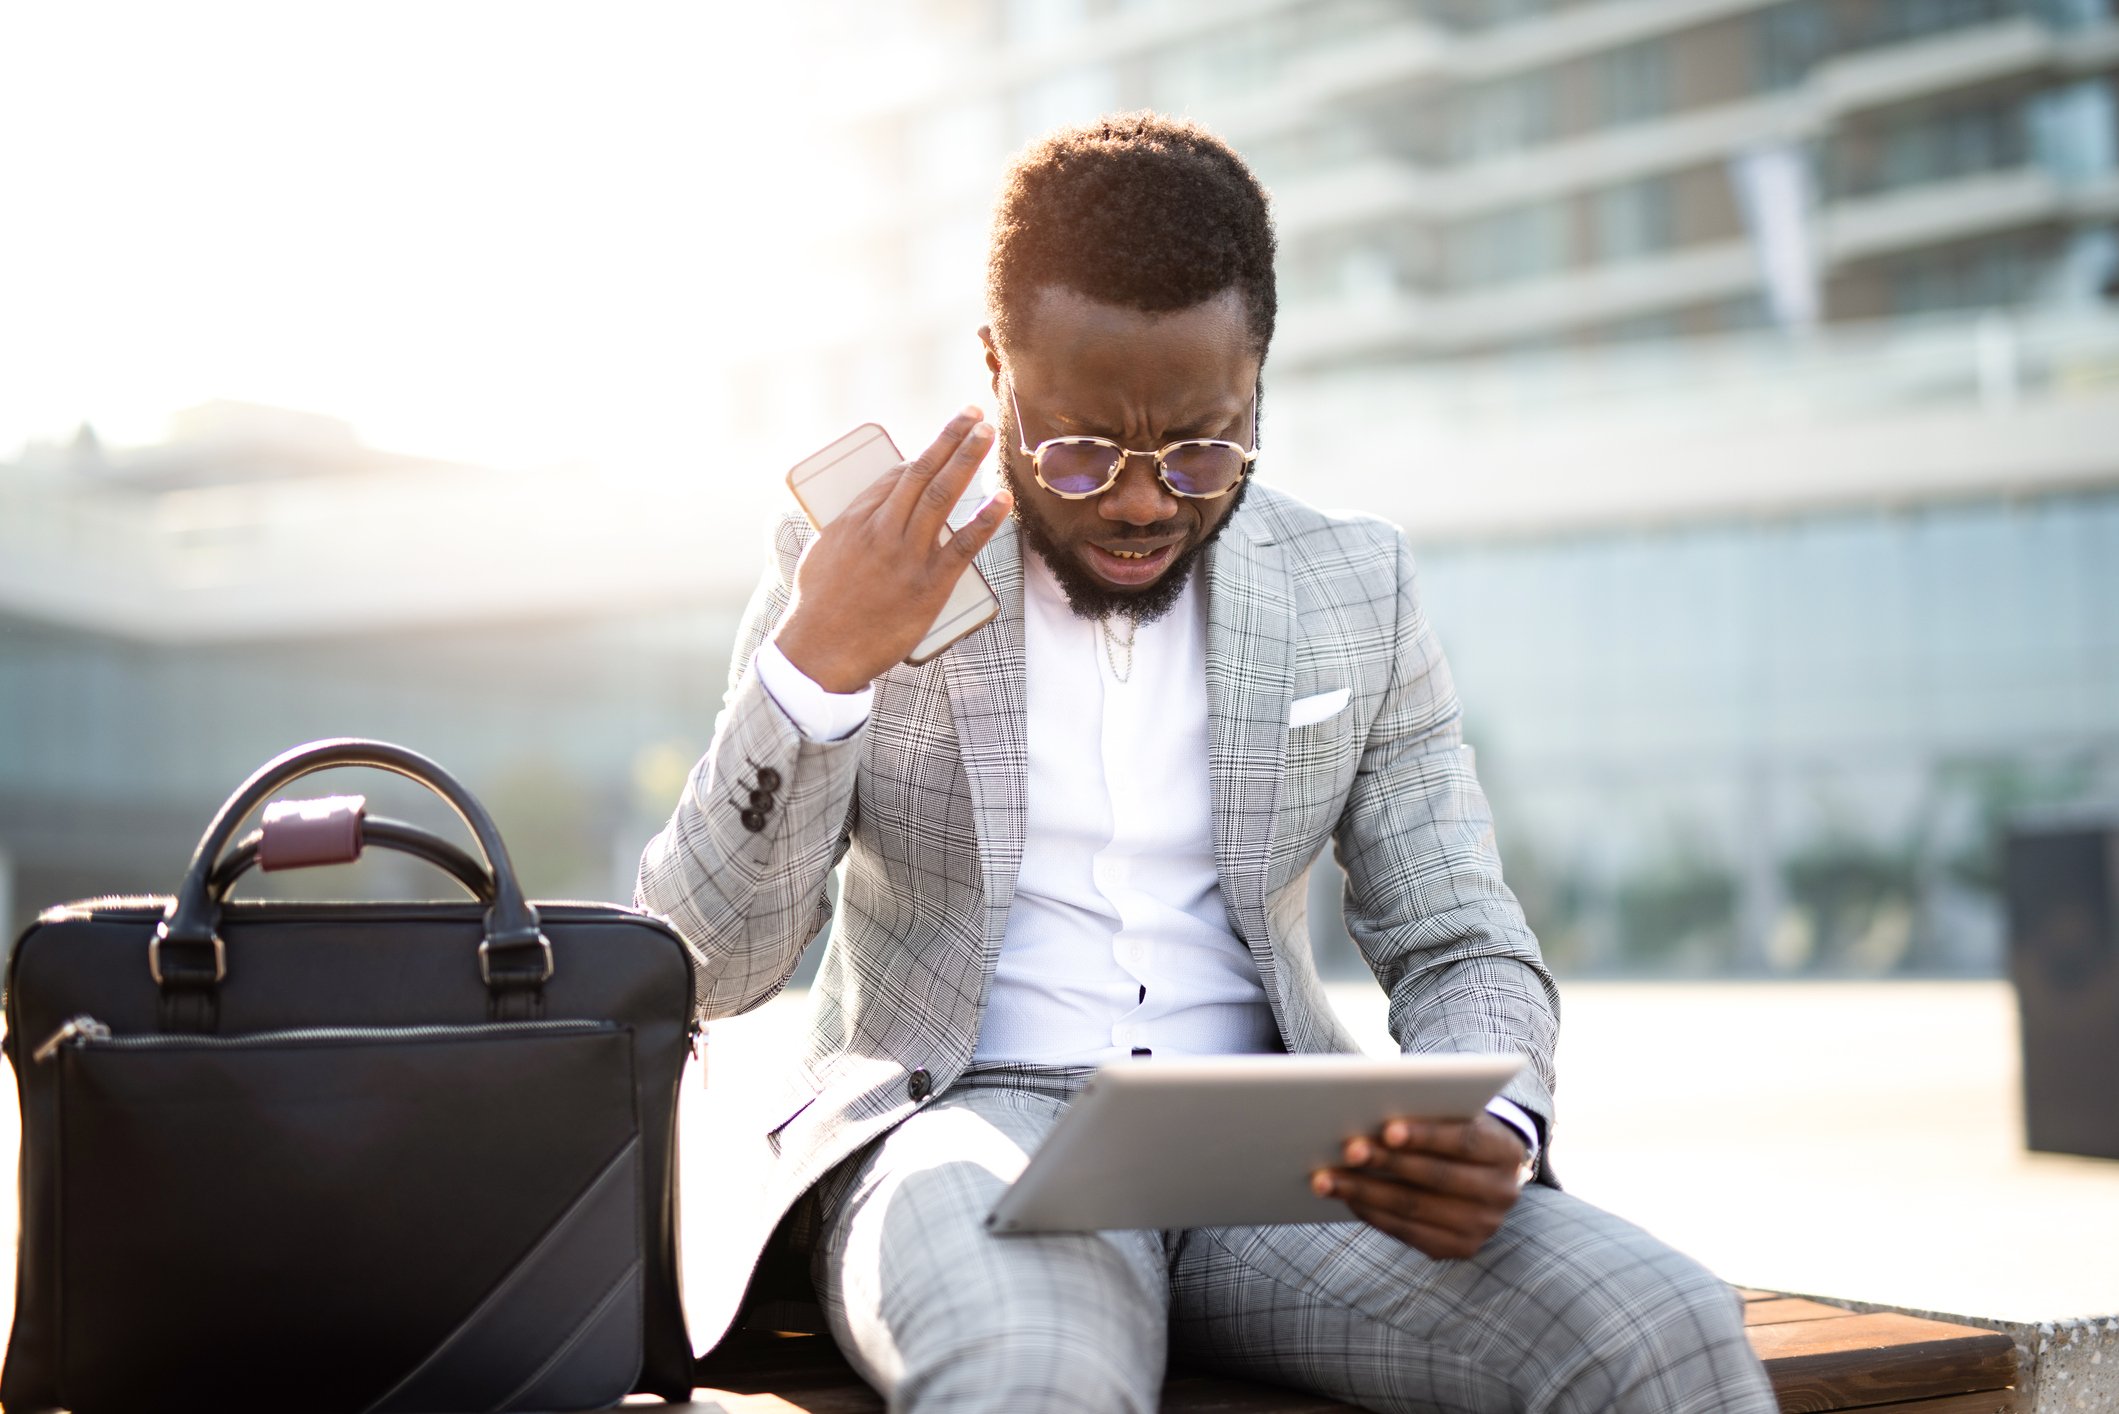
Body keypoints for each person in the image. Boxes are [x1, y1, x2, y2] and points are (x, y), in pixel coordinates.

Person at [638, 112, 1777, 1413]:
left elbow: (1462, 938)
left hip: (1277, 1157)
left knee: (1667, 1325)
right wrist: (818, 670)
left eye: (1200, 447)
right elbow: (705, 965)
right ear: (994, 368)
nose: (1138, 500)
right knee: (1034, 1373)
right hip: (972, 1131)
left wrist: (1496, 1118)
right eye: (1078, 445)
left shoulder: (1355, 586)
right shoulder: (855, 571)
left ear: (1258, 384)